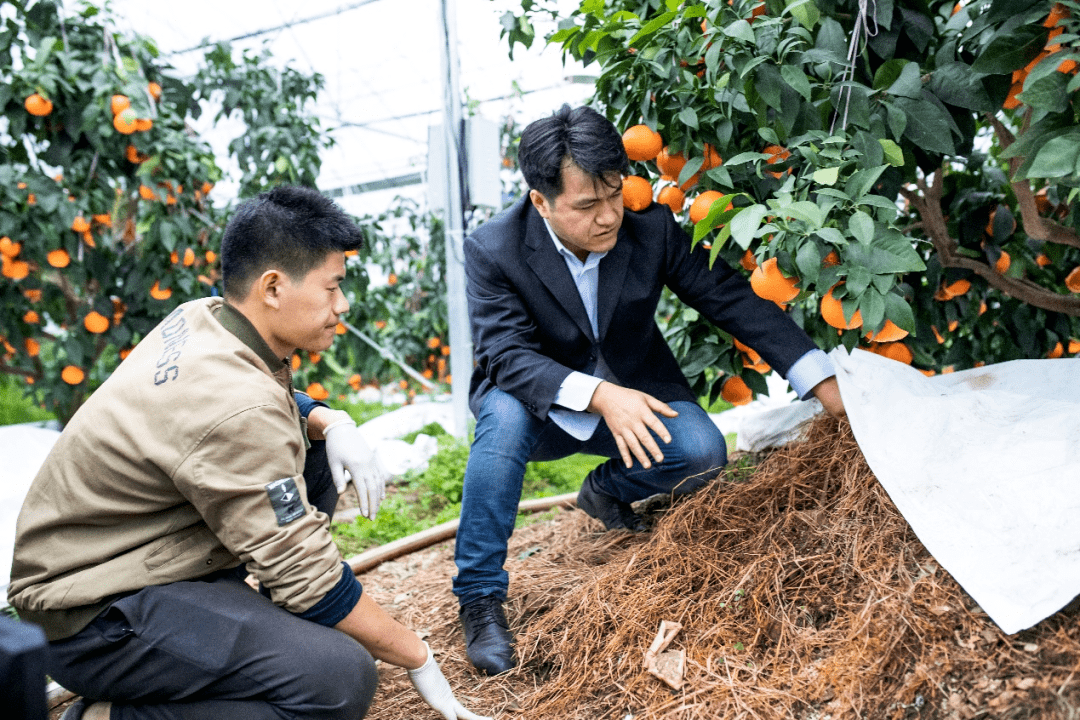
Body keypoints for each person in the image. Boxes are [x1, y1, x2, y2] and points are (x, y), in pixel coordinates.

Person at [8, 186, 489, 720]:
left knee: (312, 457)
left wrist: (330, 419)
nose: (342, 306)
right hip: (94, 618)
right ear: (274, 287)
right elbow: (302, 566)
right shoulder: (237, 407)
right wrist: (416, 655)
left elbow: (263, 405)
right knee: (337, 680)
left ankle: (243, 632)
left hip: (126, 561)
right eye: (332, 288)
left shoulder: (206, 318)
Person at [454, 105, 846, 675]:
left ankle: (607, 489)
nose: (610, 215)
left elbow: (729, 298)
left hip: (635, 395)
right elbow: (505, 354)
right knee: (505, 416)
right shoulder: (495, 249)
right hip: (539, 402)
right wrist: (599, 395)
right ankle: (481, 597)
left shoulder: (650, 227)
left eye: (615, 193)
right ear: (540, 201)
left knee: (702, 451)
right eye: (587, 206)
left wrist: (818, 378)